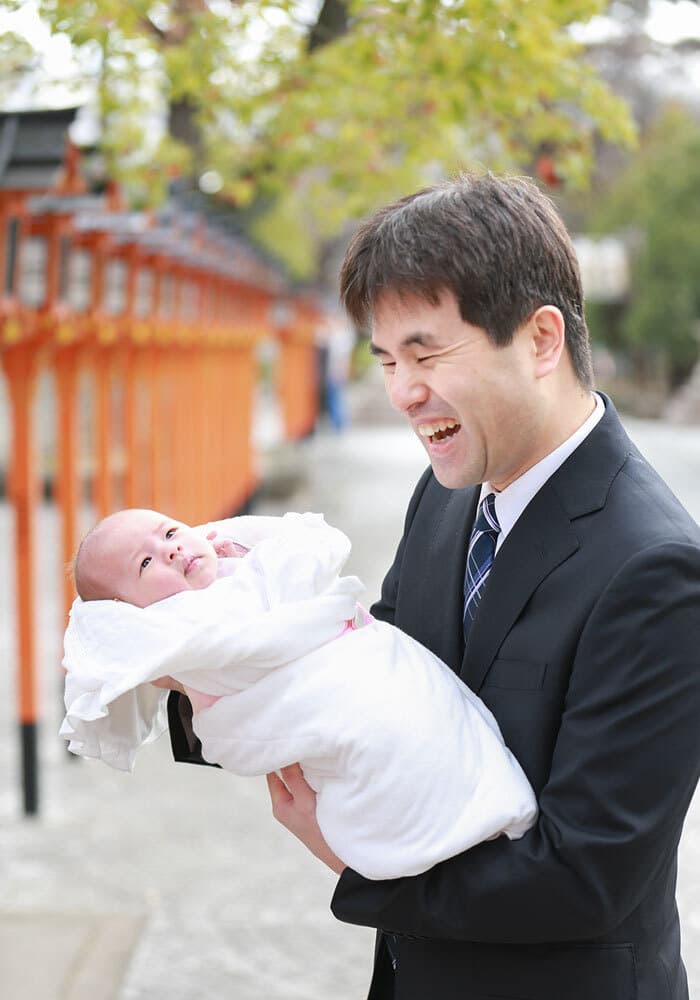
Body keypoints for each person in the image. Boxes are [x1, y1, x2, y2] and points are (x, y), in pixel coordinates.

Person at [243, 172, 699, 1000]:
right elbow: (361, 678)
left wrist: (350, 862)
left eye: (426, 351)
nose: (403, 391)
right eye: (384, 359)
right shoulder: (447, 497)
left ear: (541, 340)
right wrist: (188, 657)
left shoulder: (657, 569)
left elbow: (586, 877)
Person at [61, 507, 537, 880]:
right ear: (132, 617)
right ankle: (442, 822)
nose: (169, 551)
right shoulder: (183, 630)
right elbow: (249, 669)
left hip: (376, 673)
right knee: (386, 755)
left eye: (168, 533)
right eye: (145, 564)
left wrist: (245, 551)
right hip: (326, 706)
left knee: (423, 725)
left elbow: (310, 550)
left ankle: (471, 803)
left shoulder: (234, 565)